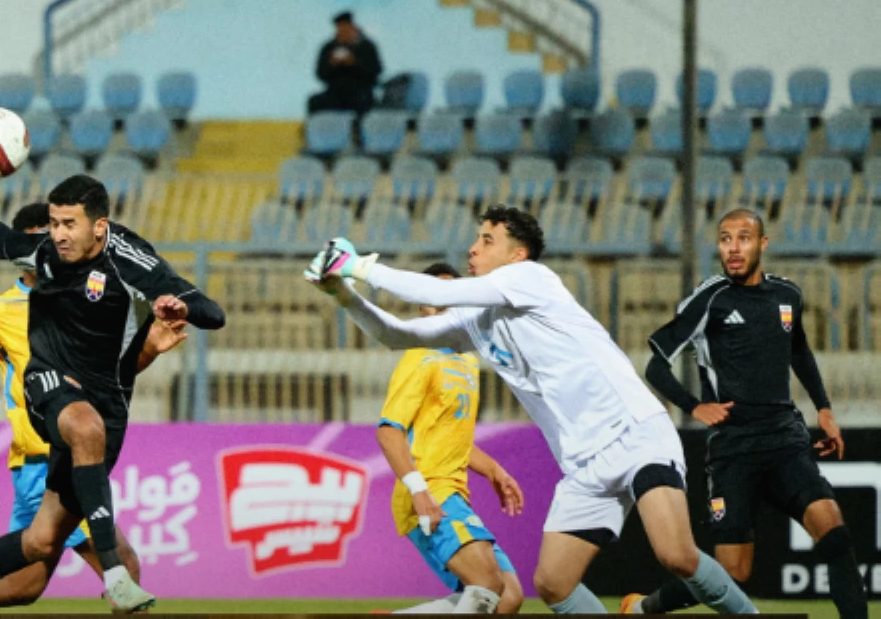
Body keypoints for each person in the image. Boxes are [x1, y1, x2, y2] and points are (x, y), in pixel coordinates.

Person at [304, 205, 758, 616]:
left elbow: (427, 288)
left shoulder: (531, 278)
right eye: (476, 238)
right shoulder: (474, 320)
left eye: (487, 240)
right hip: (583, 464)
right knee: (553, 584)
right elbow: (398, 335)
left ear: (517, 254)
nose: (473, 248)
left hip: (633, 432)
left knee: (676, 555)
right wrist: (343, 294)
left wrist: (358, 266)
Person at [0, 168, 226, 618]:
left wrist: (182, 306)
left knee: (39, 544)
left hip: (106, 402)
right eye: (54, 223)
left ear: (100, 226)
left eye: (68, 224)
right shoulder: (44, 254)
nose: (57, 235)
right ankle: (114, 575)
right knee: (85, 430)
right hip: (47, 383)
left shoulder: (132, 262)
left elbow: (213, 313)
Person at [621, 208, 867, 619]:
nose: (733, 248)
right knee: (733, 573)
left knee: (835, 532)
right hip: (733, 448)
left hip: (785, 440)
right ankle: (645, 607)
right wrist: (694, 406)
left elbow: (799, 351)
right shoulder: (710, 298)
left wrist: (824, 408)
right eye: (725, 239)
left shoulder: (787, 295)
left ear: (762, 244)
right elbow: (656, 365)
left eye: (743, 238)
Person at [377, 262, 524, 615]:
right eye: (433, 293)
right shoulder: (420, 354)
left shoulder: (467, 361)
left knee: (508, 598)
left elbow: (452, 437)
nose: (442, 300)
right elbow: (388, 431)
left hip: (453, 491)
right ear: (421, 305)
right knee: (487, 584)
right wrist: (419, 492)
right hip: (429, 490)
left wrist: (494, 471)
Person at [307, 11, 383, 119]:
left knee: (363, 103)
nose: (342, 32)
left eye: (345, 28)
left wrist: (354, 63)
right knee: (314, 101)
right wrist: (331, 64)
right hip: (335, 93)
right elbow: (320, 73)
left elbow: (375, 72)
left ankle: (358, 128)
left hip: (360, 92)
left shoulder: (366, 46)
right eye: (340, 28)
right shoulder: (329, 47)